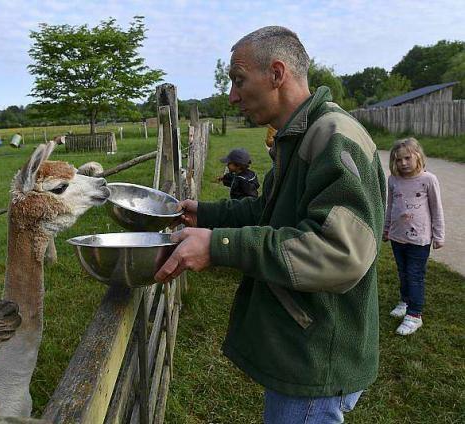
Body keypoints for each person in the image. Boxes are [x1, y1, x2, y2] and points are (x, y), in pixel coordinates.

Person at [155, 26, 386, 423]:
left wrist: (218, 246)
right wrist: (206, 215)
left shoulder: (333, 137)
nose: (232, 95)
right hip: (303, 344)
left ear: (277, 74)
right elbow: (272, 213)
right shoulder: (299, 134)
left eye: (239, 80)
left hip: (314, 356)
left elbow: (339, 251)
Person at [382, 137, 444, 336]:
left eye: (407, 158)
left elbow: (436, 209)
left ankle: (414, 315)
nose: (403, 163)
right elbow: (390, 206)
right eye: (398, 160)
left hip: (420, 239)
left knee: (415, 275)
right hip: (397, 237)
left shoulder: (428, 180)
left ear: (418, 156)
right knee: (403, 272)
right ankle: (405, 301)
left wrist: (438, 235)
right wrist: (386, 229)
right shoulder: (393, 180)